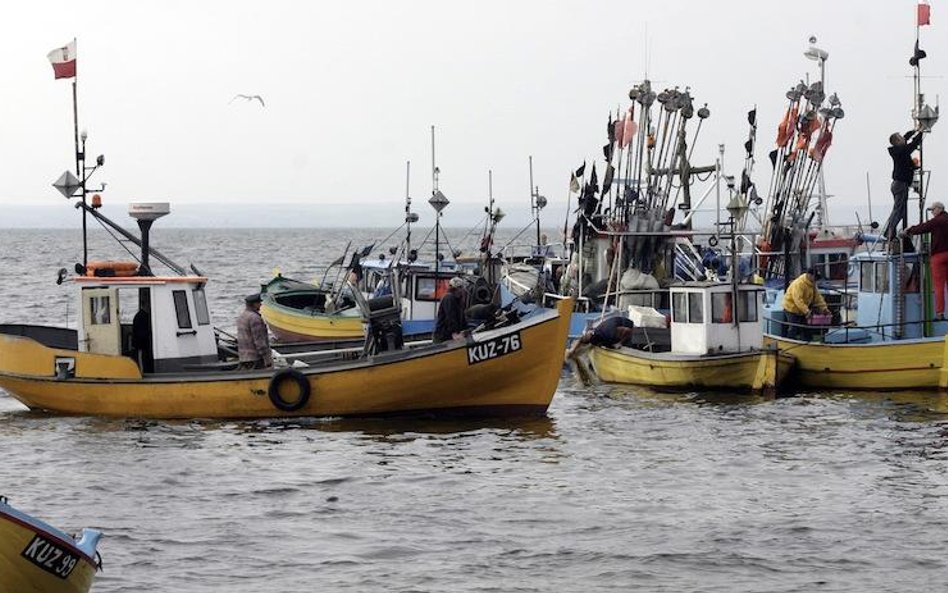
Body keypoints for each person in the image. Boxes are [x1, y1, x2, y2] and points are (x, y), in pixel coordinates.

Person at [902, 201, 948, 320]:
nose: (932, 212)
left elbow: (923, 227)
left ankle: (939, 313)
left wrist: (909, 230)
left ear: (939, 209)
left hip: (938, 256)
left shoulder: (937, 221)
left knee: (938, 286)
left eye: (933, 210)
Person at [883, 128, 924, 241]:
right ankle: (889, 233)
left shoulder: (897, 150)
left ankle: (889, 232)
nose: (903, 139)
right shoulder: (901, 150)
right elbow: (913, 144)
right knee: (899, 211)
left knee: (898, 210)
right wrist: (921, 133)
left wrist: (913, 131)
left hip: (897, 183)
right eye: (900, 138)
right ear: (897, 141)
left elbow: (905, 140)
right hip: (901, 184)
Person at [782, 266, 830, 340]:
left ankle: (807, 341)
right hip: (791, 308)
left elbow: (818, 297)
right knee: (793, 326)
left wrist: (824, 308)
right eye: (815, 277)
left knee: (806, 327)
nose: (816, 280)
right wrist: (807, 311)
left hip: (802, 309)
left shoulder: (812, 284)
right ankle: (789, 340)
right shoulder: (799, 284)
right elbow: (798, 300)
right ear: (809, 275)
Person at [566, 315, 635, 359]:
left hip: (626, 324)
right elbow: (581, 339)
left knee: (621, 346)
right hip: (611, 325)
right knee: (610, 345)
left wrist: (620, 342)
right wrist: (573, 350)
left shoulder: (611, 334)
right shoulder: (595, 333)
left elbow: (628, 331)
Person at [237, 293, 272, 369]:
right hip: (255, 358)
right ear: (254, 304)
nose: (261, 305)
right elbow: (259, 341)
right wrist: (267, 360)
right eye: (259, 303)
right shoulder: (255, 318)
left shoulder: (242, 316)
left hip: (244, 357)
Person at [433, 276, 467, 343]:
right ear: (455, 289)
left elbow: (461, 318)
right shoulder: (449, 298)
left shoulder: (459, 301)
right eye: (460, 288)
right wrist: (454, 332)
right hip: (443, 336)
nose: (462, 290)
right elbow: (451, 317)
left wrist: (465, 329)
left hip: (450, 335)